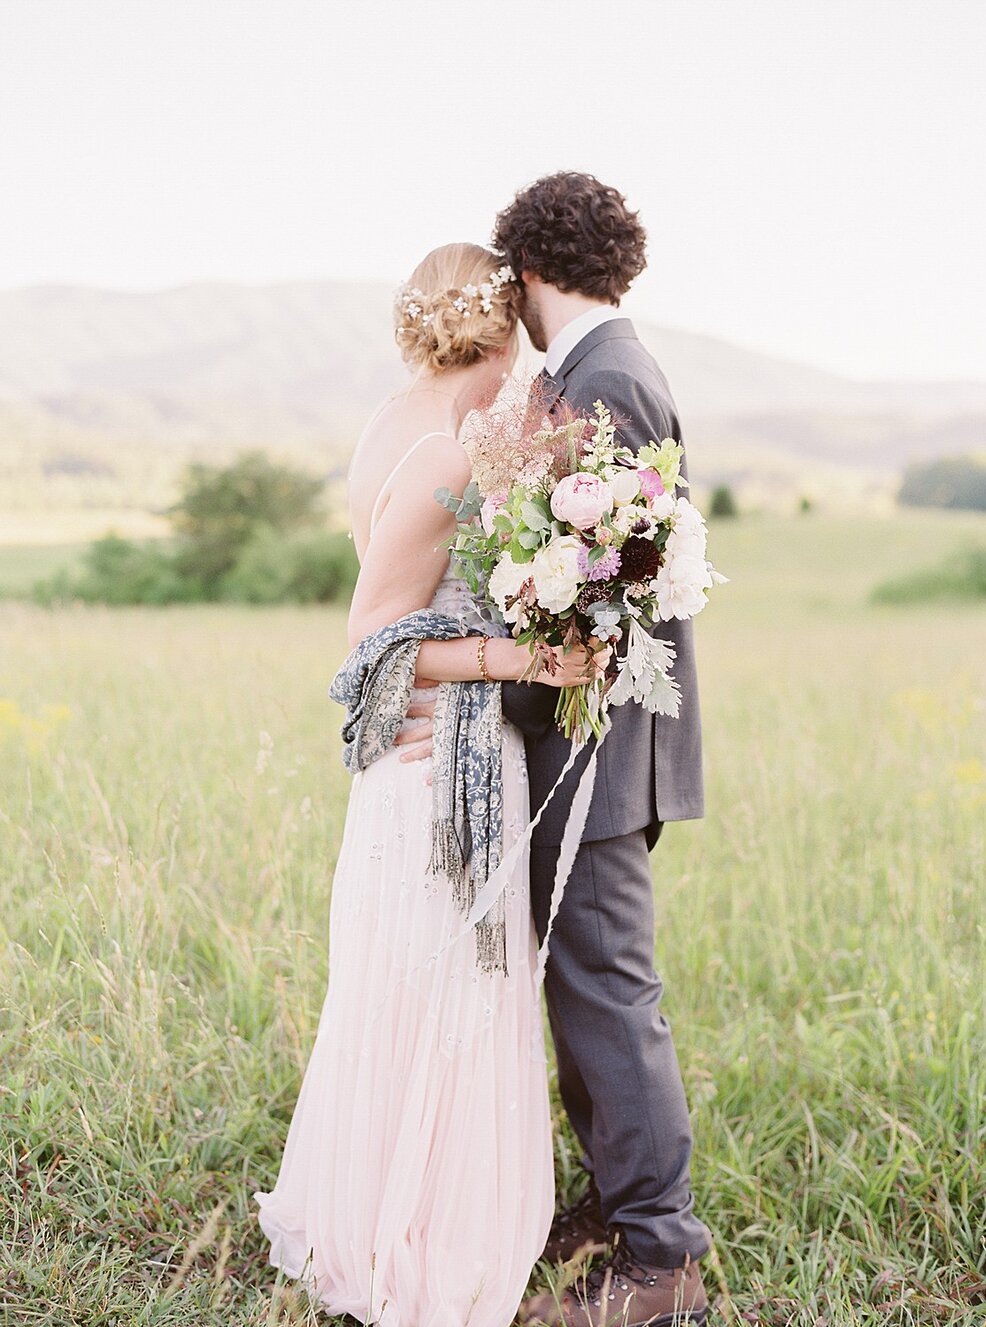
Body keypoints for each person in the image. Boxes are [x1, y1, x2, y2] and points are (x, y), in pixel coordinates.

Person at [254, 243, 596, 1327]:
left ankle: (374, 1207)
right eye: (519, 356)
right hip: (442, 759)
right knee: (448, 983)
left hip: (411, 767)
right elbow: (372, 635)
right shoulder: (449, 451)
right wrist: (521, 656)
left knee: (403, 981)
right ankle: (424, 1233)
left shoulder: (386, 420)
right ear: (496, 339)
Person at [495, 173, 713, 1327]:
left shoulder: (607, 376)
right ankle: (618, 1210)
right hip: (590, 741)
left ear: (530, 268)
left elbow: (602, 581)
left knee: (612, 993)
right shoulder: (593, 370)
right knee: (584, 993)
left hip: (598, 744)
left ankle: (660, 1259)